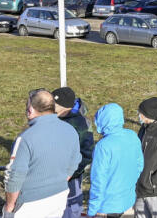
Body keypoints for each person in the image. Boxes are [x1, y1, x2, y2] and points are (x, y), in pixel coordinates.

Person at [4, 89, 81, 217]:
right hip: (59, 197)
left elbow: (15, 176)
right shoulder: (71, 130)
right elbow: (75, 162)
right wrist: (60, 181)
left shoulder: (25, 139)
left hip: (30, 203)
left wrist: (10, 206)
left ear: (31, 110)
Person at [87, 103, 144, 218]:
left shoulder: (103, 146)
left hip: (107, 206)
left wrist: (92, 210)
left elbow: (98, 180)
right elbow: (139, 166)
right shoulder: (132, 136)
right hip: (128, 200)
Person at [53, 87, 94, 218]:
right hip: (53, 176)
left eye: (54, 103)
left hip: (71, 179)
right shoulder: (54, 119)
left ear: (62, 105)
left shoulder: (80, 123)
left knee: (70, 209)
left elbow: (86, 153)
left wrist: (71, 174)